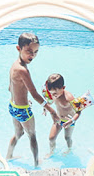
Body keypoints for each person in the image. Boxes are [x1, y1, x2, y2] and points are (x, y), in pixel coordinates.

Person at [7, 33, 58, 167]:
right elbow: (34, 94)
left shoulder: (14, 65)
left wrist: (22, 99)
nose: (33, 55)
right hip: (22, 110)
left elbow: (10, 87)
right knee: (32, 136)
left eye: (36, 52)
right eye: (29, 51)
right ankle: (36, 163)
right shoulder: (23, 70)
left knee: (18, 133)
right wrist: (51, 110)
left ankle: (9, 156)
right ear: (18, 48)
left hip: (13, 106)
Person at [43, 73, 80, 158]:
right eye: (52, 93)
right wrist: (46, 108)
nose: (54, 95)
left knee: (67, 137)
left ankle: (69, 149)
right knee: (51, 138)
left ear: (63, 88)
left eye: (55, 93)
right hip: (58, 119)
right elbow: (51, 101)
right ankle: (51, 152)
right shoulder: (53, 94)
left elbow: (78, 111)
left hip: (69, 121)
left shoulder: (69, 98)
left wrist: (72, 120)